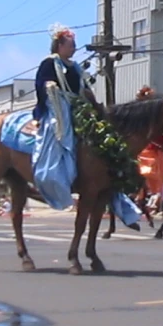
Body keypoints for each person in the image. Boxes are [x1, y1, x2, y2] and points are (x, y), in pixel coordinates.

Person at [30, 24, 141, 228]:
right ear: (59, 45)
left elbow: (84, 87)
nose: (73, 48)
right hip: (59, 108)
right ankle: (55, 177)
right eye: (70, 45)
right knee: (59, 136)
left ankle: (116, 190)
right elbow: (40, 86)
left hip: (78, 106)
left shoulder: (75, 66)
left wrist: (95, 103)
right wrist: (51, 89)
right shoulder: (49, 63)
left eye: (74, 45)